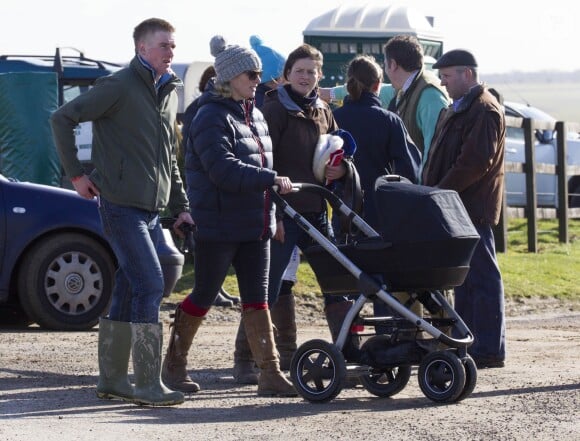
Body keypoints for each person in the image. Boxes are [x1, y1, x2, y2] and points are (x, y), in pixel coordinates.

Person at [50, 18, 192, 406]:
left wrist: (180, 208)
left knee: (131, 286)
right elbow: (61, 118)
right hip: (119, 205)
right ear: (142, 49)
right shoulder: (118, 86)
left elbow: (170, 160)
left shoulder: (168, 91)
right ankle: (147, 383)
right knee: (149, 282)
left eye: (173, 46)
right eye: (164, 45)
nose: (171, 52)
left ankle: (113, 380)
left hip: (150, 209)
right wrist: (78, 175)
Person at [160, 35, 297, 397]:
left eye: (258, 74)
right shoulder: (209, 116)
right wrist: (270, 180)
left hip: (256, 222)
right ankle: (173, 366)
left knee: (257, 298)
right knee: (204, 294)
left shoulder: (257, 115)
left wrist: (276, 210)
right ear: (231, 77)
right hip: (219, 225)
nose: (258, 80)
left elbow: (264, 165)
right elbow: (222, 170)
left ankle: (269, 372)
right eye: (251, 74)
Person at [261, 43, 357, 361]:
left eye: (311, 72)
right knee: (270, 283)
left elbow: (337, 150)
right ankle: (255, 358)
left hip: (317, 210)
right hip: (282, 211)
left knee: (336, 280)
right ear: (287, 74)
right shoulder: (273, 109)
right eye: (299, 71)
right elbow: (263, 162)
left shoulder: (324, 110)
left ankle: (348, 352)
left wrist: (340, 167)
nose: (305, 76)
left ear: (319, 76)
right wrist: (271, 211)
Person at [422, 49, 506, 369]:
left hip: (471, 207)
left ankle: (488, 348)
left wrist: (440, 193)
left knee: (483, 278)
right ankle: (470, 343)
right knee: (466, 281)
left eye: (447, 76)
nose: (442, 83)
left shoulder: (484, 110)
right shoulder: (458, 108)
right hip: (457, 206)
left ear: (466, 75)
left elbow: (474, 163)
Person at [321, 35, 449, 173]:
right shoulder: (410, 87)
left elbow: (434, 152)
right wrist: (330, 93)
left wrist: (421, 188)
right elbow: (366, 87)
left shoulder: (430, 96)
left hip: (425, 186)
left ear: (393, 64)